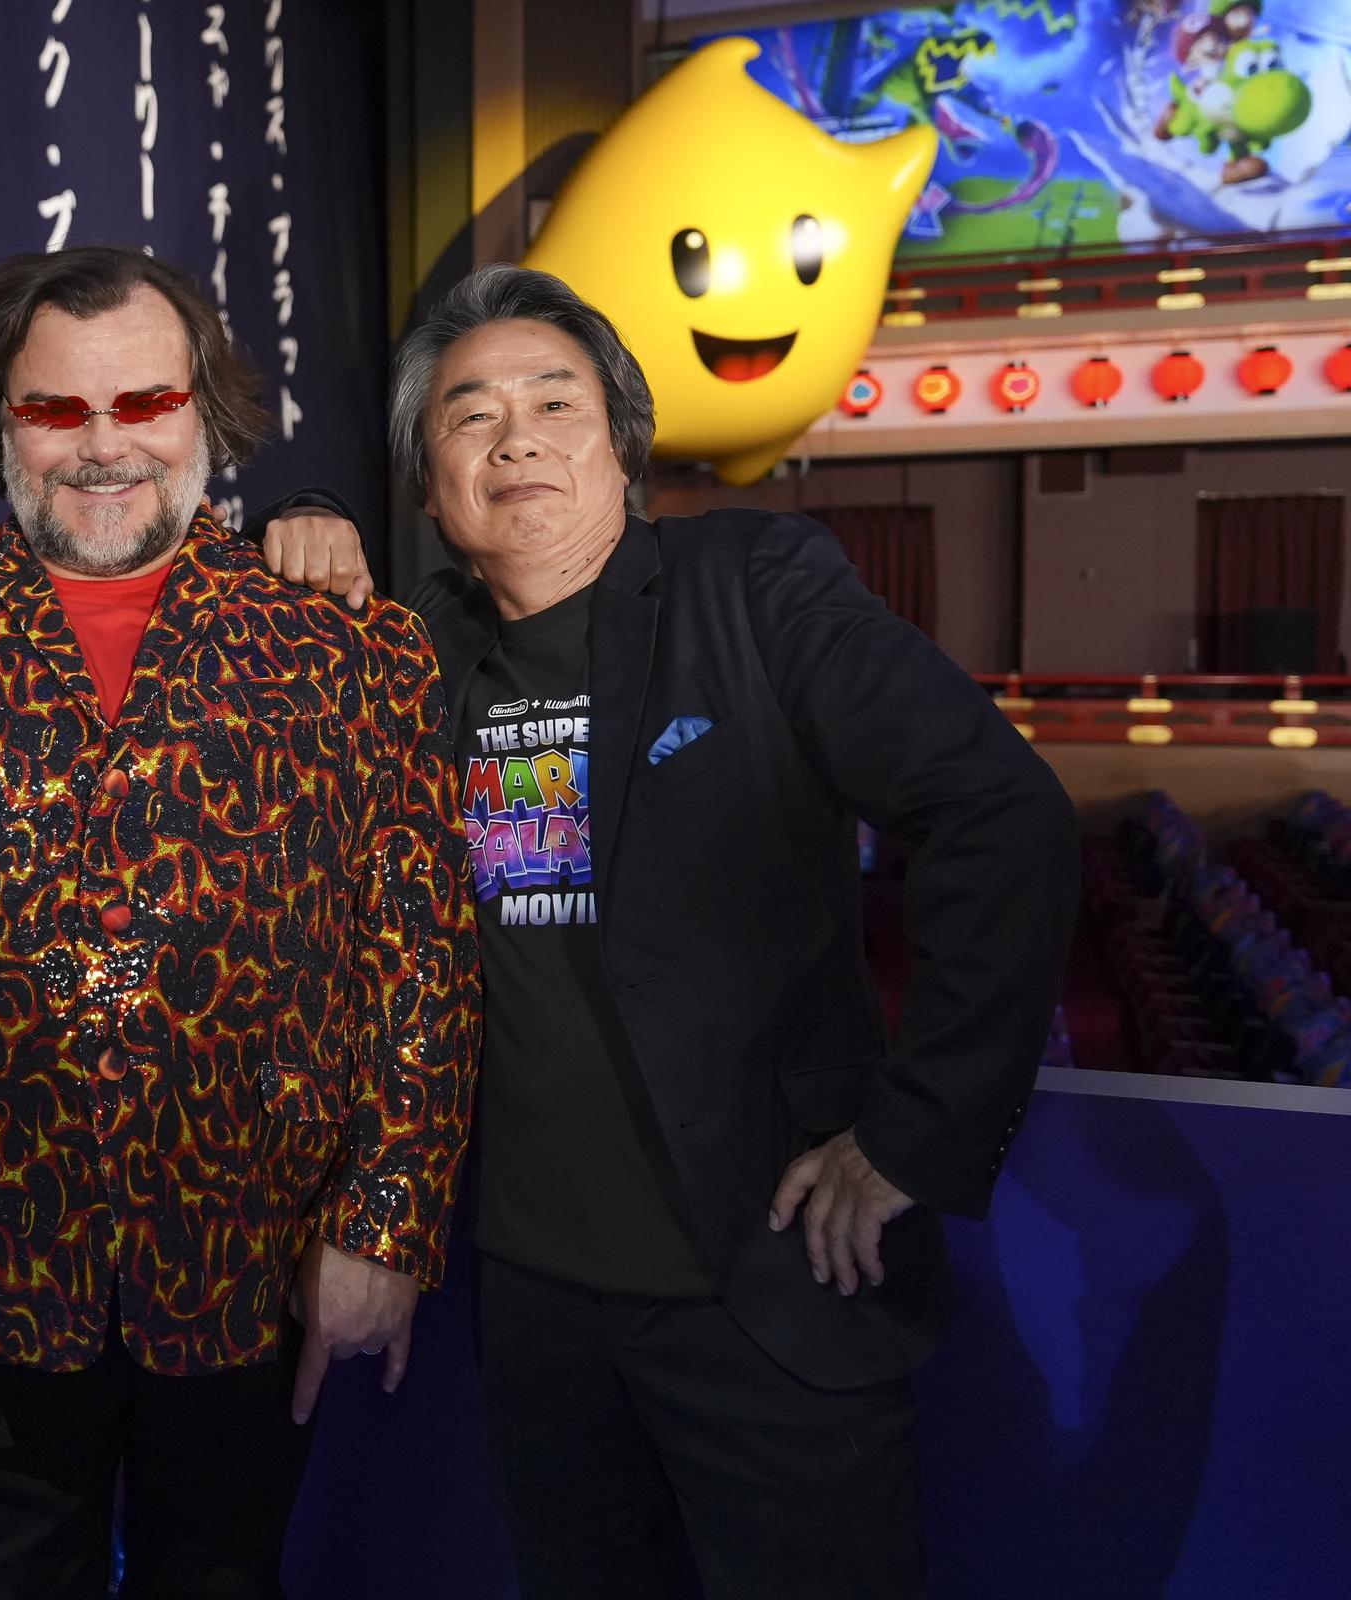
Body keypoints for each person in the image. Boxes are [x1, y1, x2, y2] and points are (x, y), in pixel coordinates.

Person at [257, 263, 1078, 1599]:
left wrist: (913, 1132)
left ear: (623, 443)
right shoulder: (416, 652)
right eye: (468, 416)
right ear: (429, 487)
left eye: (553, 400)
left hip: (768, 1291)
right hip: (534, 1313)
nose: (516, 437)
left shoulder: (753, 586)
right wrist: (292, 513)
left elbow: (1003, 818)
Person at [0, 245, 480, 1600]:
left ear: (204, 413)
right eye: (57, 411)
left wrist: (382, 1224)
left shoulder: (348, 650)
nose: (103, 448)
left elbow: (421, 965)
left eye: (143, 404)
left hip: (257, 1288)